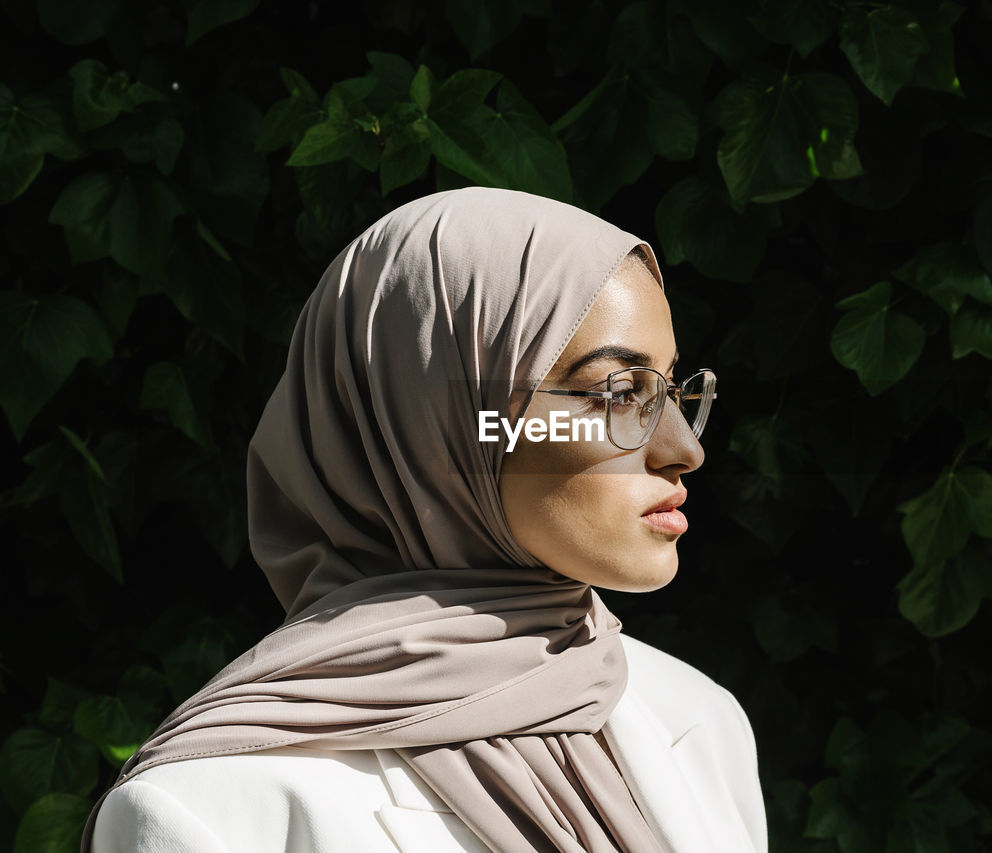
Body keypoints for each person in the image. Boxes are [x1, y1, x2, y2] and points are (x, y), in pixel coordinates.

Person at [82, 186, 768, 853]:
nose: (685, 449)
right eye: (619, 392)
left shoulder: (700, 719)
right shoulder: (210, 813)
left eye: (673, 388)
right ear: (436, 423)